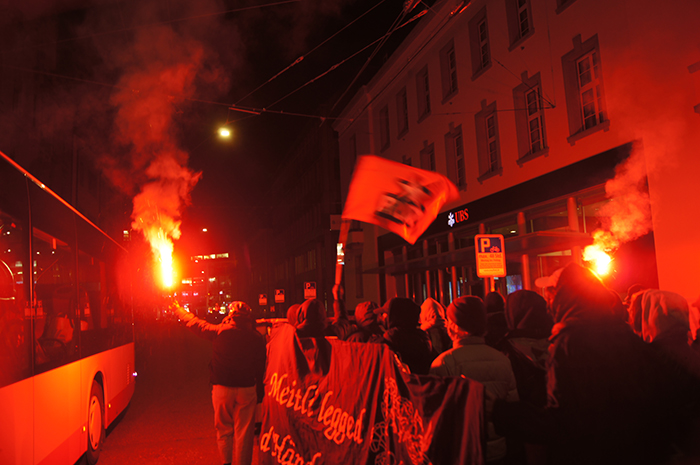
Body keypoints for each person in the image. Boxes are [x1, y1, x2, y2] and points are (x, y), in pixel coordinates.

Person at [493, 263, 696, 465]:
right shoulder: (625, 335)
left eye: (552, 293)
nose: (549, 302)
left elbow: (564, 423)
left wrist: (500, 412)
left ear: (564, 297)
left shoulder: (569, 343)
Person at [172, 301, 266, 465]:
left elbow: (195, 323)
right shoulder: (256, 337)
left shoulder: (219, 331)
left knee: (223, 430)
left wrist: (177, 309)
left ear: (230, 316)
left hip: (222, 388)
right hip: (247, 388)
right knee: (244, 432)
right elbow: (260, 366)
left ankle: (226, 463)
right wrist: (260, 393)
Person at [430, 296, 518, 464]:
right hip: (498, 450)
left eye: (449, 320)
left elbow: (438, 416)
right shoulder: (502, 359)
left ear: (455, 326)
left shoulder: (443, 363)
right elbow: (512, 406)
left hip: (462, 451)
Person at [380, 297, 433, 375]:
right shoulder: (422, 335)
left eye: (385, 313)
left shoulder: (392, 336)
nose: (382, 317)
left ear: (394, 315)